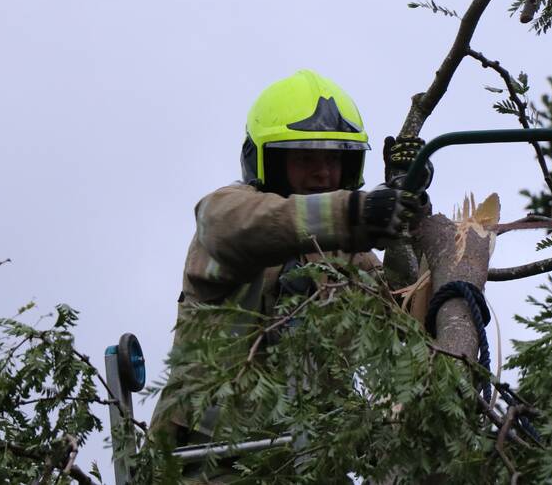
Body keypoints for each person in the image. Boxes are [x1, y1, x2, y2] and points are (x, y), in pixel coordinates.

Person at [150, 68, 424, 458]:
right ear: (269, 161)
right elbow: (248, 224)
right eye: (305, 157)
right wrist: (361, 213)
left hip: (308, 463)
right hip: (205, 464)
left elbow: (408, 311)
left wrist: (409, 214)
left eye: (334, 159)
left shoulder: (352, 261)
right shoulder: (225, 217)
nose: (323, 172)